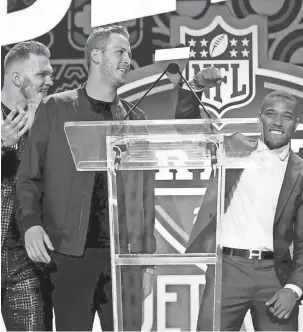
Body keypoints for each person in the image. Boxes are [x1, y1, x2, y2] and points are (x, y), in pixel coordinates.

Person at [15, 25, 214, 331]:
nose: (127, 60)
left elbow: (147, 194)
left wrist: (146, 262)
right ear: (96, 56)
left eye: (130, 54)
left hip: (126, 260)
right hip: (69, 256)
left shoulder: (136, 120)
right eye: (119, 51)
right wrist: (31, 224)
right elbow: (29, 176)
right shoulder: (55, 108)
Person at [176, 69, 303, 331]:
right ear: (259, 118)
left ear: (296, 124)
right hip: (227, 270)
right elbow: (187, 131)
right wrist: (194, 87)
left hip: (275, 276)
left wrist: (295, 288)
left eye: (286, 116)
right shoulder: (233, 147)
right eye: (270, 114)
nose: (278, 122)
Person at [1, 40, 53, 331]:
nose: (50, 80)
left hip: (26, 258)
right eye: (42, 75)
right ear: (17, 78)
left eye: (50, 73)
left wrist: (38, 133)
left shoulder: (49, 117)